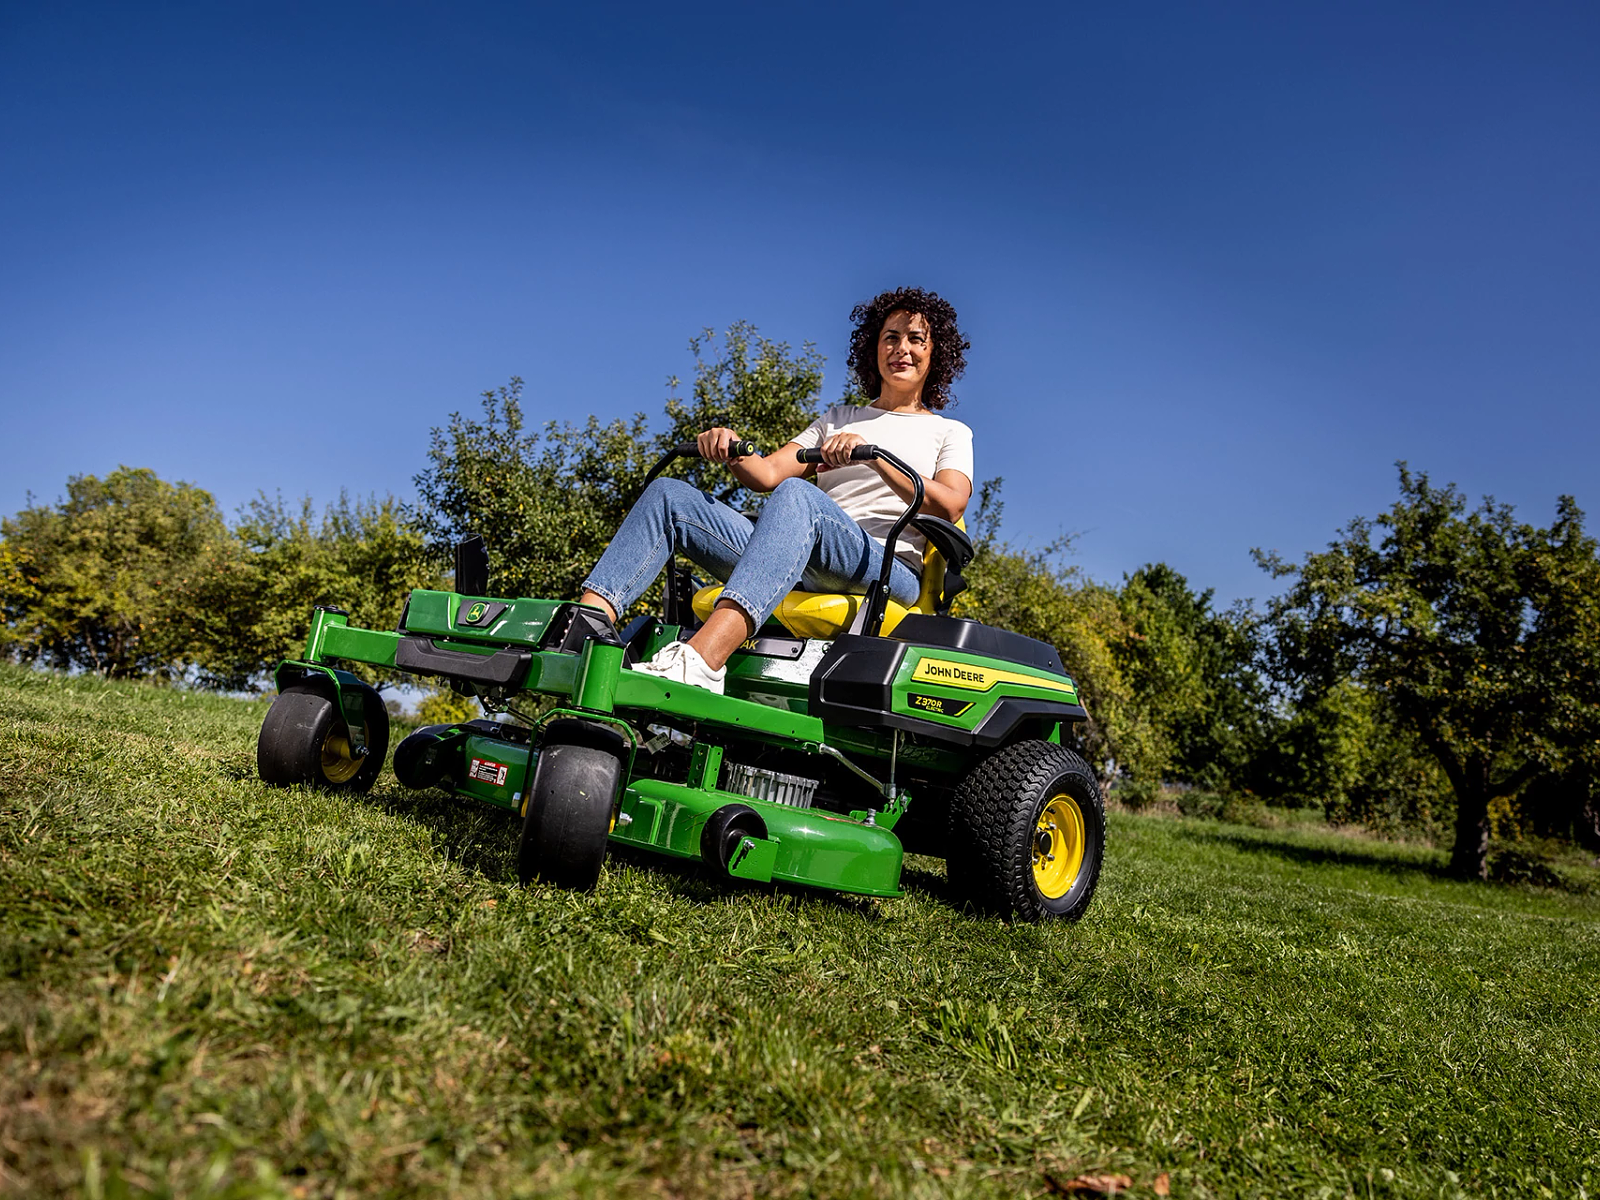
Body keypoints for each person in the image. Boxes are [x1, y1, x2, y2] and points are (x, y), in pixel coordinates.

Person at [577, 287, 974, 694]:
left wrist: (875, 457)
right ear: (873, 348)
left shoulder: (949, 432)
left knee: (799, 496)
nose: (902, 349)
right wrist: (732, 447)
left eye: (916, 339)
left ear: (935, 354)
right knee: (669, 495)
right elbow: (767, 473)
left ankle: (702, 660)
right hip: (800, 557)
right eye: (891, 337)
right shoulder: (838, 419)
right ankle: (581, 635)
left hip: (884, 569)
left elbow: (951, 504)